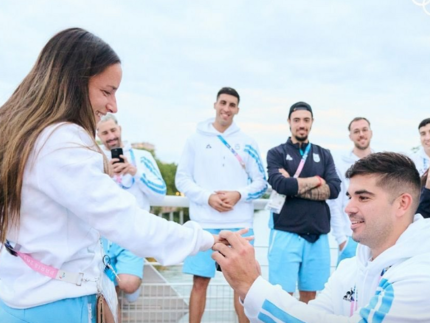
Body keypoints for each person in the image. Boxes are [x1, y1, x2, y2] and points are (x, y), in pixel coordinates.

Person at [0, 28, 216, 323]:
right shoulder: (63, 141)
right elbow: (126, 221)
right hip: (58, 305)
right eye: (106, 92)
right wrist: (205, 239)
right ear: (73, 84)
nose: (113, 106)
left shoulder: (23, 136)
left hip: (18, 297)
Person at [214, 152, 430, 322]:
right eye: (350, 197)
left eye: (363, 197)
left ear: (402, 203)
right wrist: (252, 283)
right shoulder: (350, 268)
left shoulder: (420, 275)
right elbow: (312, 315)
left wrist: (251, 287)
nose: (348, 208)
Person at [175, 87, 267, 323]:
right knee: (199, 283)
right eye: (223, 103)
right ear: (215, 104)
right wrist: (208, 197)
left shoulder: (247, 142)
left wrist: (238, 194)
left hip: (239, 226)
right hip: (203, 224)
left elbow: (261, 183)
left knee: (244, 287)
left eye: (232, 105)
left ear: (237, 109)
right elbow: (181, 179)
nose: (226, 109)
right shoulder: (195, 139)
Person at [265, 101, 341, 303]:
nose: (301, 124)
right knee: (281, 298)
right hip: (285, 232)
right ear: (289, 122)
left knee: (311, 298)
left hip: (317, 235)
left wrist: (293, 184)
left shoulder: (324, 154)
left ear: (312, 122)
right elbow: (279, 185)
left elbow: (334, 189)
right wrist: (316, 181)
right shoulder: (276, 153)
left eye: (306, 120)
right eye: (297, 120)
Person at [97, 114, 167, 308]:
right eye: (105, 133)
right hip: (101, 235)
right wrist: (104, 174)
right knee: (99, 289)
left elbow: (160, 193)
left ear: (119, 130)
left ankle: (118, 285)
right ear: (98, 135)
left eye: (113, 130)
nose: (110, 136)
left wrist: (134, 171)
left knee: (128, 284)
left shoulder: (142, 157)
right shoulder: (95, 157)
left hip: (132, 233)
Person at [329, 117, 374, 265]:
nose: (361, 134)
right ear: (350, 136)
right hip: (350, 238)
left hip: (376, 236)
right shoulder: (341, 165)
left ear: (371, 132)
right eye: (356, 131)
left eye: (364, 130)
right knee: (345, 286)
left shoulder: (381, 164)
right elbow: (334, 203)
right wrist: (341, 240)